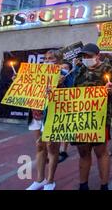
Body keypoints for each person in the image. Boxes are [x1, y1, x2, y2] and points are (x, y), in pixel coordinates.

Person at [73, 43, 112, 190]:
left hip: (101, 118)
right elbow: (72, 93)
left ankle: (104, 185)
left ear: (97, 55)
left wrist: (111, 90)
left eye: (89, 56)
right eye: (84, 56)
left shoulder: (107, 69)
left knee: (101, 152)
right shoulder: (79, 71)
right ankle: (83, 185)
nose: (86, 58)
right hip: (81, 118)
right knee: (83, 152)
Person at [26, 50, 72, 190]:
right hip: (36, 114)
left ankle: (50, 181)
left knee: (52, 148)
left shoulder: (65, 75)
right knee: (39, 146)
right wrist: (20, 79)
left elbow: (71, 95)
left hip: (53, 116)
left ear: (58, 61)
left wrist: (60, 86)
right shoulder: (36, 73)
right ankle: (39, 179)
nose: (47, 60)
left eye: (50, 58)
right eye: (45, 58)